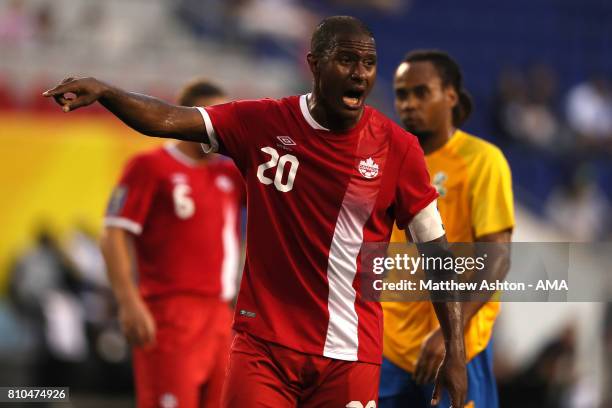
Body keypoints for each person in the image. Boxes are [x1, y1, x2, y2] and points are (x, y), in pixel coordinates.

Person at [43, 16, 467, 407]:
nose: (360, 73)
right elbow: (170, 119)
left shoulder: (398, 148)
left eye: (370, 63)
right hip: (262, 346)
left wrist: (455, 350)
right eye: (347, 60)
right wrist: (108, 92)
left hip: (349, 353)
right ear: (314, 64)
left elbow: (436, 252)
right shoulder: (262, 122)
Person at [380, 50, 514, 407]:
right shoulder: (386, 160)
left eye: (421, 92)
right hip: (387, 346)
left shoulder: (482, 161)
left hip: (459, 348)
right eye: (402, 94)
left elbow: (497, 259)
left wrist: (449, 335)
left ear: (450, 96)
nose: (409, 104)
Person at [100, 79, 244, 408]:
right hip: (170, 311)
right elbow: (113, 233)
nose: (219, 127)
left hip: (221, 314)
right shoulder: (150, 167)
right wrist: (128, 301)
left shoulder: (228, 176)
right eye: (212, 117)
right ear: (187, 119)